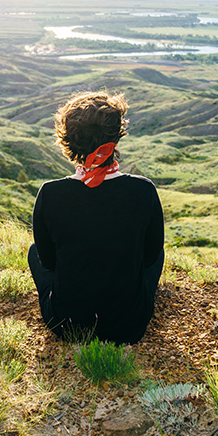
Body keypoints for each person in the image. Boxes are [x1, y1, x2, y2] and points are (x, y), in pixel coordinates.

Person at [27, 92, 164, 345]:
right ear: (115, 138)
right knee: (157, 255)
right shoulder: (144, 191)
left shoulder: (50, 194)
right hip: (129, 325)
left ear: (68, 143)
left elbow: (48, 262)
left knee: (34, 251)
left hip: (67, 325)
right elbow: (150, 256)